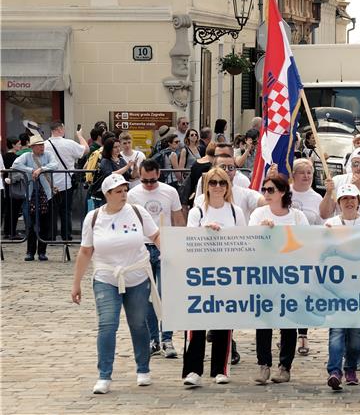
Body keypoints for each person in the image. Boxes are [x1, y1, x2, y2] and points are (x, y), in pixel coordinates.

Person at [71, 173, 161, 394]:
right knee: (108, 324)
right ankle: (104, 375)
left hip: (137, 275)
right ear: (107, 194)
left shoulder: (138, 212)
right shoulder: (93, 218)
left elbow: (156, 236)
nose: (123, 195)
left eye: (125, 190)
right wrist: (76, 283)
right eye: (118, 192)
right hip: (106, 277)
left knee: (139, 323)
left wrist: (171, 257)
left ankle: (143, 369)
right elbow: (85, 251)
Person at [183, 168, 246, 387]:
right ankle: (192, 369)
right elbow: (188, 240)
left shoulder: (236, 212)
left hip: (226, 273)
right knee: (196, 323)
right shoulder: (197, 211)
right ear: (206, 186)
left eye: (222, 183)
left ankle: (221, 368)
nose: (217, 187)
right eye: (213, 183)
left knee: (223, 322)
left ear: (228, 186)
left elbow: (243, 242)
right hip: (201, 273)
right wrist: (204, 230)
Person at [249, 174, 308, 385]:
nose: (266, 193)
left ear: (282, 192)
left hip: (290, 275)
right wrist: (262, 231)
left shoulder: (298, 216)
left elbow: (306, 242)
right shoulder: (258, 214)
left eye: (271, 189)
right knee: (264, 321)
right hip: (265, 275)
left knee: (288, 323)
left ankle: (285, 366)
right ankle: (263, 364)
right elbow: (250, 241)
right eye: (264, 189)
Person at [127, 159, 185, 358]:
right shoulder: (133, 194)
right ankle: (154, 339)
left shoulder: (170, 192)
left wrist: (181, 245)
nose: (149, 185)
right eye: (145, 181)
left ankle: (167, 338)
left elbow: (178, 219)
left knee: (165, 294)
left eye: (152, 181)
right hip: (142, 248)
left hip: (165, 245)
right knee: (148, 297)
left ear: (158, 174)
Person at [321, 184, 360, 390]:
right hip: (336, 286)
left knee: (355, 335)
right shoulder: (331, 223)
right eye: (345, 199)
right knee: (337, 332)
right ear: (339, 203)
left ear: (358, 202)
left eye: (352, 198)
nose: (349, 202)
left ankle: (350, 367)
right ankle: (334, 370)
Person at [11, 134, 59, 260]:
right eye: (38, 145)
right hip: (31, 195)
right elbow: (16, 165)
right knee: (31, 224)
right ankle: (30, 252)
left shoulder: (48, 155)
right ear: (32, 147)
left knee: (45, 225)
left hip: (46, 195)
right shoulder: (27, 156)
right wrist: (31, 170)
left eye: (42, 144)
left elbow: (55, 165)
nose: (41, 147)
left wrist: (42, 169)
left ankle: (42, 252)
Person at [45, 121, 89, 242]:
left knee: (52, 211)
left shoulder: (44, 145)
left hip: (49, 183)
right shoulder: (68, 143)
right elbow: (85, 150)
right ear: (59, 129)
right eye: (63, 128)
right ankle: (66, 236)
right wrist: (79, 136)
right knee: (65, 210)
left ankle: (51, 236)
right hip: (66, 181)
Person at [193, 153, 265, 222]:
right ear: (214, 168)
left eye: (231, 167)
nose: (227, 170)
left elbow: (265, 201)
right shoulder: (201, 199)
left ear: (235, 171)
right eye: (222, 167)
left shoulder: (245, 194)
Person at [91, 138, 134, 207]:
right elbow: (111, 174)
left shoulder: (121, 160)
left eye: (119, 146)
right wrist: (127, 167)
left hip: (122, 192)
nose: (118, 149)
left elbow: (131, 176)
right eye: (115, 147)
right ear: (109, 148)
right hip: (109, 194)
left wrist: (135, 168)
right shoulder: (105, 161)